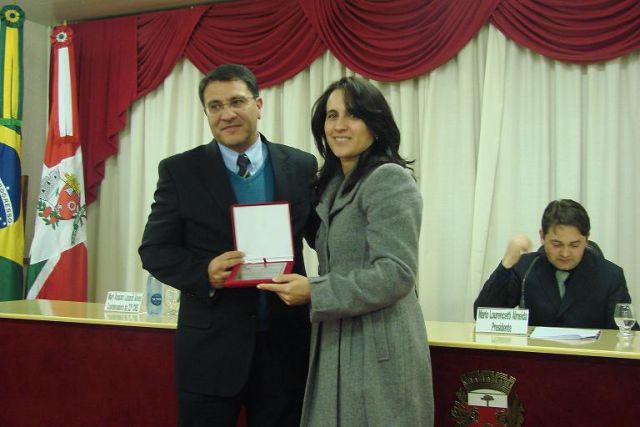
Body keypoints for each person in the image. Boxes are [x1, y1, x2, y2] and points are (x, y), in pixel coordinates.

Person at [138, 64, 318, 427]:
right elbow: (155, 250)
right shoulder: (179, 171)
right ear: (206, 113)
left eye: (237, 101)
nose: (227, 114)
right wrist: (204, 272)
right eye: (215, 106)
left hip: (285, 346)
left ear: (258, 104)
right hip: (210, 351)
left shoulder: (301, 165)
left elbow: (324, 238)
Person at [258, 76, 434, 426]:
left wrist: (315, 291)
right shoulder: (330, 186)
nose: (339, 126)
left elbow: (396, 274)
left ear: (375, 125)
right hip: (336, 340)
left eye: (352, 115)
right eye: (331, 115)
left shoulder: (389, 179)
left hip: (379, 345)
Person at [474, 199, 632, 329]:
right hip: (535, 357)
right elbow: (483, 316)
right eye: (557, 244)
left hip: (589, 357)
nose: (565, 253)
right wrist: (507, 263)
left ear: (586, 239)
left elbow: (625, 333)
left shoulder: (610, 276)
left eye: (574, 245)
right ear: (542, 236)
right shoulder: (526, 268)